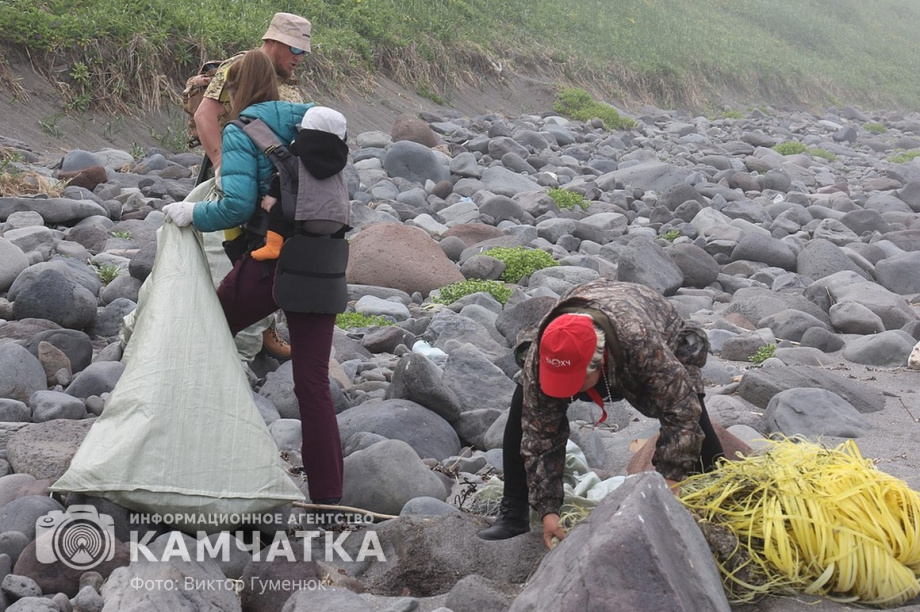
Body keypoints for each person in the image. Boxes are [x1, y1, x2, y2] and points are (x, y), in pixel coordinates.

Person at [162, 49, 343, 507]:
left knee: (202, 337)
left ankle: (190, 458)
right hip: (324, 262)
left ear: (234, 90)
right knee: (313, 385)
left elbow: (236, 206)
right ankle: (328, 501)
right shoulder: (316, 125)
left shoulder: (241, 130)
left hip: (269, 264)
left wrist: (190, 213)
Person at [476, 280, 725, 548]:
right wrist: (548, 510)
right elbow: (539, 438)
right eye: (559, 382)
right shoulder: (541, 353)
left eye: (572, 383)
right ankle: (514, 513)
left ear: (599, 363)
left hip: (646, 321)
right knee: (526, 404)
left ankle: (725, 496)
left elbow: (681, 414)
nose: (565, 392)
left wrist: (670, 482)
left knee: (692, 413)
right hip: (583, 313)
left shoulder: (641, 344)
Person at [194, 11, 313, 360]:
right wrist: (221, 164)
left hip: (269, 184)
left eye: (304, 52)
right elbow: (205, 114)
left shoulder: (287, 78)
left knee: (267, 250)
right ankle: (227, 333)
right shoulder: (239, 66)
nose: (299, 58)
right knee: (230, 251)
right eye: (295, 49)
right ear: (274, 41)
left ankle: (260, 326)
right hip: (236, 172)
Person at [250, 105, 350, 261]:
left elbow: (285, 174)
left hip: (307, 218)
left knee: (279, 211)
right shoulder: (340, 159)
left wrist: (272, 195)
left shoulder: (299, 149)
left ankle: (273, 246)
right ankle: (335, 255)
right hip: (338, 221)